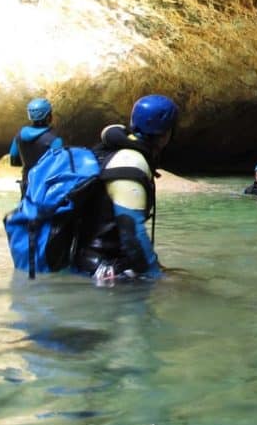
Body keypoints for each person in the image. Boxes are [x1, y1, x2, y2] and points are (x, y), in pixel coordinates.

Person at [74, 94, 179, 284]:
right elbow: (132, 232)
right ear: (166, 134)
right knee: (187, 289)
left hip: (91, 262)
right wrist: (156, 277)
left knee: (182, 277)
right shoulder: (131, 161)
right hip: (103, 270)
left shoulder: (112, 149)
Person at [9, 97, 64, 196]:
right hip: (46, 187)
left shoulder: (19, 135)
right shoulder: (55, 138)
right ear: (48, 116)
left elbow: (14, 161)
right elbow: (58, 166)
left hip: (27, 184)